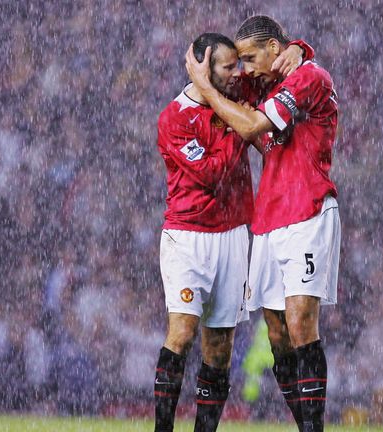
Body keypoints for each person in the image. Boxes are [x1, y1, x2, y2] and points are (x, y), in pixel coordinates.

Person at [185, 15, 340, 432]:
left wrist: (301, 50)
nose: (245, 69)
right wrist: (202, 71)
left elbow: (252, 123)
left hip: (307, 211)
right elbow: (225, 83)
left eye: (250, 58)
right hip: (269, 219)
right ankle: (303, 422)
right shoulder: (267, 79)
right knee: (276, 335)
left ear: (274, 47)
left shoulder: (310, 77)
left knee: (300, 321)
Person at [154, 32, 309, 432]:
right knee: (182, 332)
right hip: (188, 237)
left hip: (234, 236)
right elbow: (211, 174)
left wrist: (298, 48)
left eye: (238, 65)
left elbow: (288, 74)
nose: (237, 73)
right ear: (203, 67)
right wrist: (236, 124)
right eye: (227, 66)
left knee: (219, 348)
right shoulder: (174, 117)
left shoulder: (234, 87)